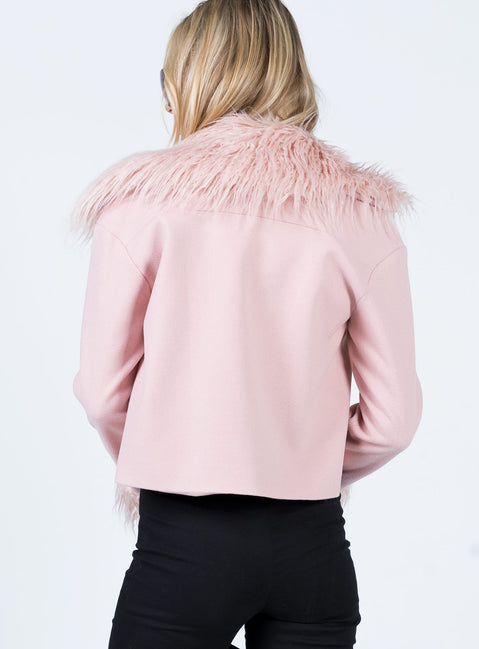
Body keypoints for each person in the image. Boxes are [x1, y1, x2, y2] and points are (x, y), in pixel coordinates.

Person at [69, 1, 423, 647]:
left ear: (186, 80)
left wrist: (172, 453)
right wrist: (298, 459)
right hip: (313, 550)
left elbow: (101, 393)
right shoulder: (359, 214)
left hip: (184, 546)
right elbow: (393, 420)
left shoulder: (140, 207)